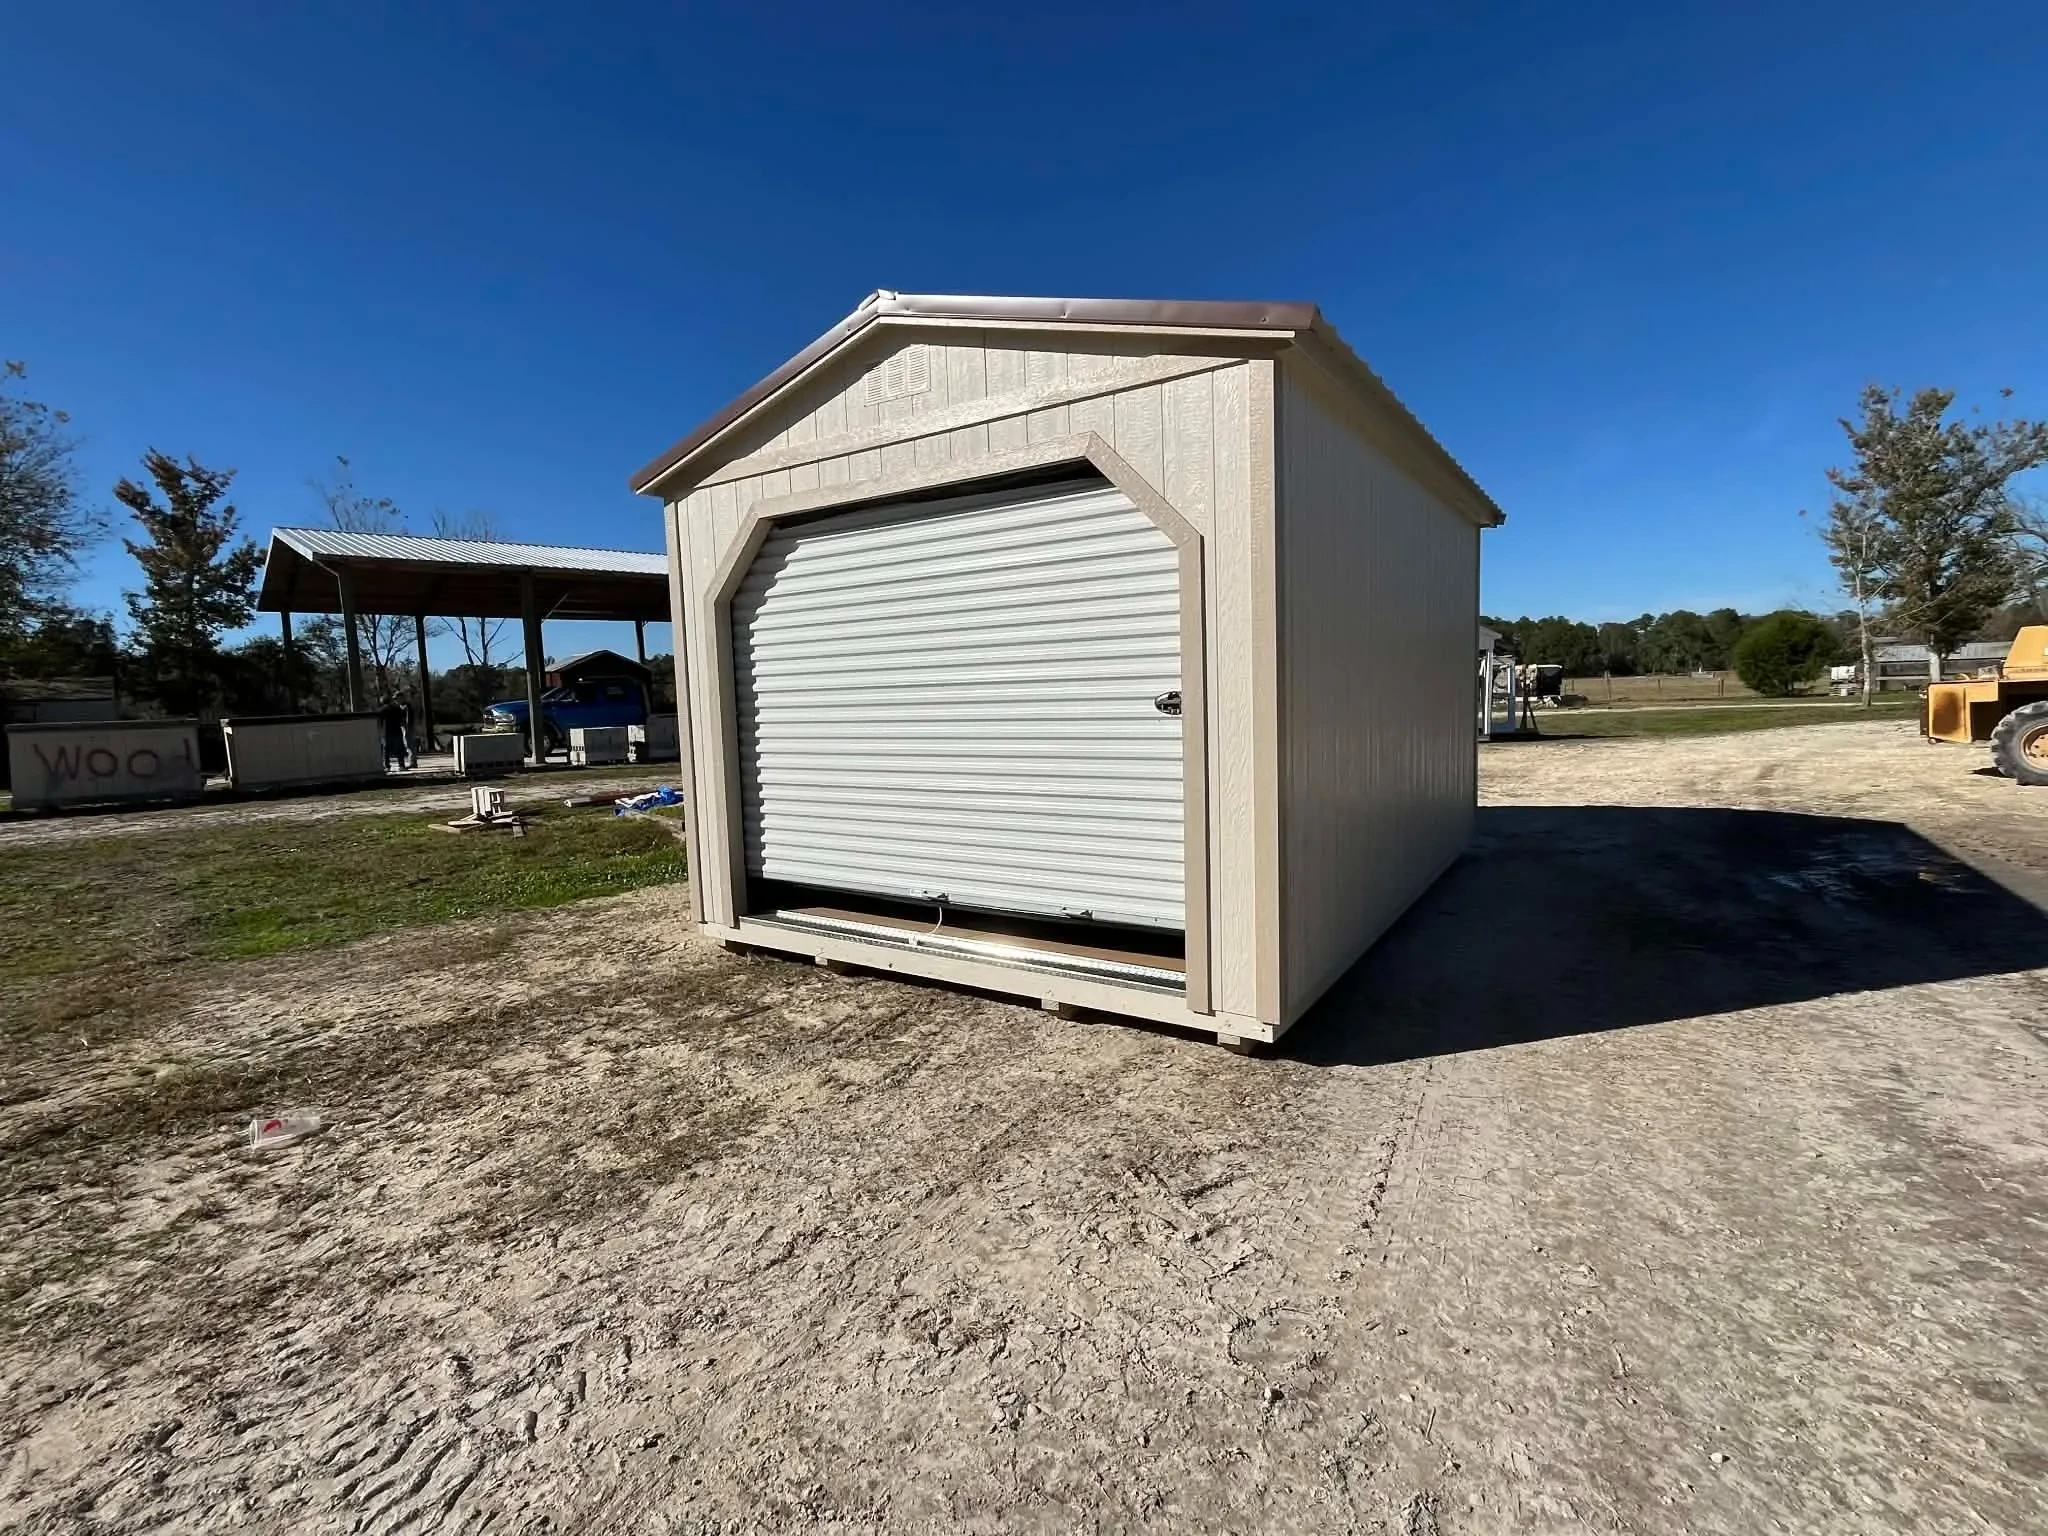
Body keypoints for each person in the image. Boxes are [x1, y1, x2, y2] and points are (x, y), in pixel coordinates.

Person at [379, 696, 415, 771]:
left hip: (387, 731)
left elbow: (380, 721)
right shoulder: (397, 708)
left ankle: (387, 766)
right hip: (397, 730)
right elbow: (403, 716)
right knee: (399, 749)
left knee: (386, 750)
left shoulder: (382, 710)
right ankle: (401, 765)